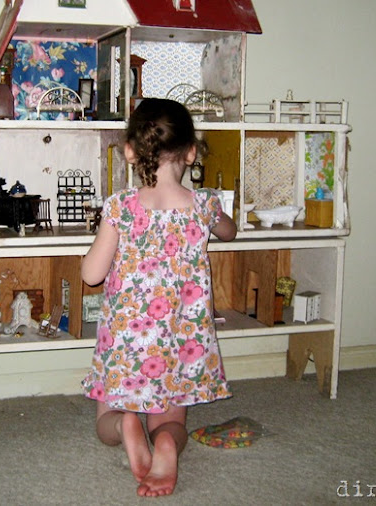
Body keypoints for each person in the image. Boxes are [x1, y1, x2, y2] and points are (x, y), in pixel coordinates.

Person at [81, 98, 237, 497]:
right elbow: (230, 231)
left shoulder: (121, 207)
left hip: (128, 343)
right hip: (181, 342)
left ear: (130, 151)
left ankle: (123, 425)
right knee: (171, 421)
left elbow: (91, 275)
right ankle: (166, 441)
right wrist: (217, 217)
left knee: (105, 422)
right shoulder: (203, 205)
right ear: (191, 152)